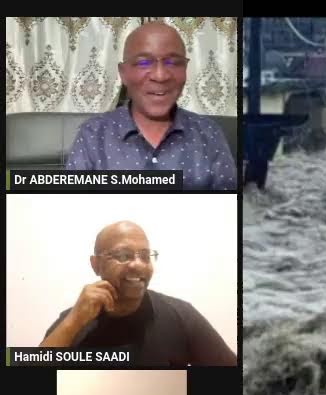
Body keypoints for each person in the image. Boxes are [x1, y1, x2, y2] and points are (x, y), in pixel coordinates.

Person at [65, 21, 237, 191]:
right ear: (123, 74)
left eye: (173, 62)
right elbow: (73, 211)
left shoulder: (209, 134)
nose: (160, 76)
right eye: (143, 63)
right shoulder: (93, 135)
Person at [39, 220, 237, 367]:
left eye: (145, 256)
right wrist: (73, 321)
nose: (138, 265)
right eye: (123, 255)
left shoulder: (180, 315)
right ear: (96, 265)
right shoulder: (72, 320)